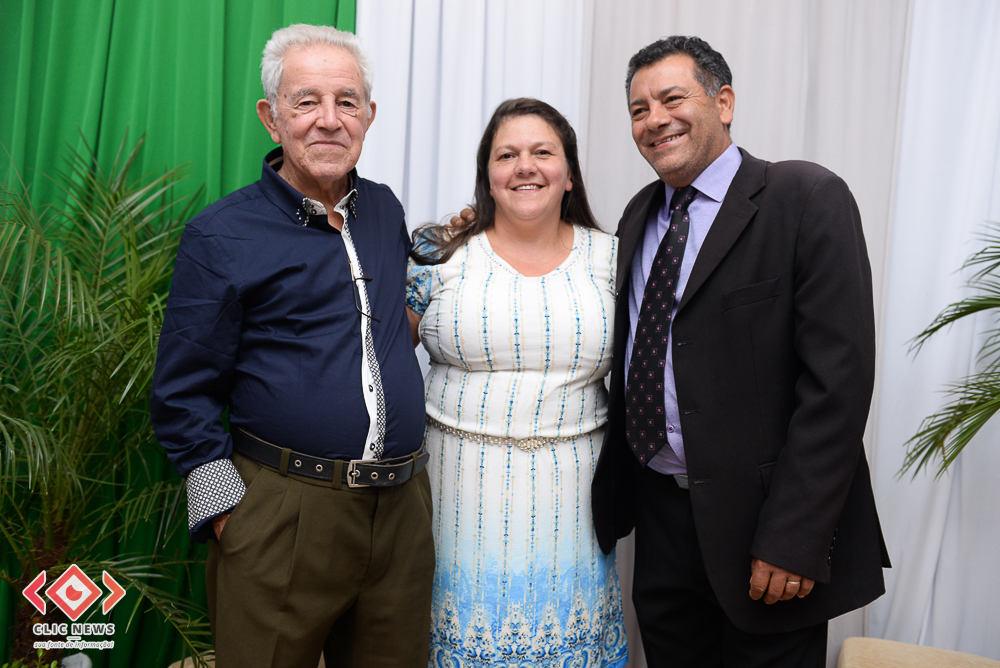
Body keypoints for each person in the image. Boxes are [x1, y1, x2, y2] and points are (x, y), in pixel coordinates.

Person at [590, 36, 891, 667]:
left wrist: (794, 537)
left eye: (672, 98)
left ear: (723, 103)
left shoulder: (805, 197)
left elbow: (838, 386)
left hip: (766, 534)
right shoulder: (639, 215)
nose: (654, 119)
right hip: (661, 523)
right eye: (639, 110)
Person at [150, 24, 433, 668]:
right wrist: (229, 517)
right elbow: (182, 392)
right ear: (271, 117)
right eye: (306, 101)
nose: (329, 120)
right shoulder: (221, 235)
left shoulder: (385, 211)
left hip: (402, 512)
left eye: (346, 102)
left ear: (369, 116)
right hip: (282, 513)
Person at [407, 98, 628, 668]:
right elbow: (373, 364)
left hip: (575, 500)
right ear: (488, 176)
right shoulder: (436, 254)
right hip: (454, 494)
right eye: (506, 155)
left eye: (542, 152)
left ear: (570, 174)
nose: (524, 166)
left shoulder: (616, 259)